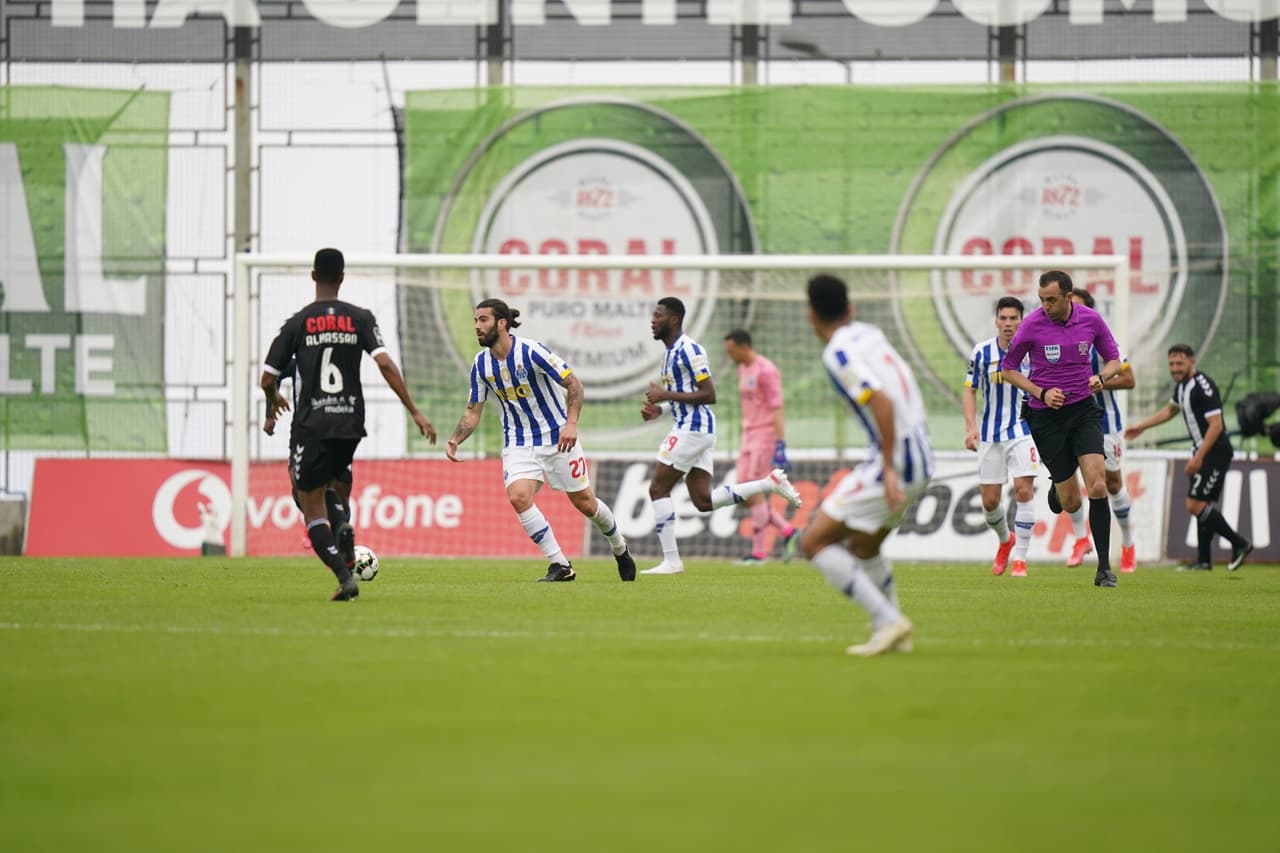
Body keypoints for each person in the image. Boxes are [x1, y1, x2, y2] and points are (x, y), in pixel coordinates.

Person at [261, 248, 436, 601]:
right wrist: (414, 410)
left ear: (314, 276)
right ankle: (343, 526)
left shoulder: (296, 323)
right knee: (334, 491)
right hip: (350, 422)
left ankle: (344, 575)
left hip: (311, 424)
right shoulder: (360, 317)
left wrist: (271, 406)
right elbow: (385, 363)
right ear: (342, 277)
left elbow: (267, 378)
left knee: (306, 500)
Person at [445, 298, 637, 582]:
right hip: (518, 440)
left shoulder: (532, 351)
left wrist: (571, 425)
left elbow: (574, 384)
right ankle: (560, 564)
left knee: (585, 503)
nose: (477, 326)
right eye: (475, 320)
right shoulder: (480, 364)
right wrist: (455, 439)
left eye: (482, 320)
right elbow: (473, 410)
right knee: (518, 497)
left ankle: (620, 548)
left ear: (501, 323)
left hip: (558, 437)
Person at [798, 274, 933, 656]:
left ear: (811, 316)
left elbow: (883, 402)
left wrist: (888, 467)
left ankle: (888, 620)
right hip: (921, 452)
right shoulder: (870, 334)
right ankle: (893, 632)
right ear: (851, 308)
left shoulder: (838, 353)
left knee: (814, 542)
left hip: (897, 459)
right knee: (863, 545)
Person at [639, 297, 801, 575]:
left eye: (658, 316)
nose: (652, 321)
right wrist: (662, 409)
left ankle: (672, 561)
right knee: (703, 501)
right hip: (693, 427)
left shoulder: (690, 349)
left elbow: (708, 394)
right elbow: (686, 397)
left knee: (657, 489)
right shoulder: (670, 354)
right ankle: (768, 483)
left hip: (693, 429)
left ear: (674, 319)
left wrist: (664, 395)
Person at [1000, 269, 1123, 588]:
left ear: (1069, 297)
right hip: (1045, 417)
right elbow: (1008, 370)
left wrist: (1102, 377)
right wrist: (1040, 393)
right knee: (1070, 501)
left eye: (1051, 300)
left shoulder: (1091, 320)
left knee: (1097, 484)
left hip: (1083, 411)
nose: (1045, 306)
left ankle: (1104, 569)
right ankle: (1059, 486)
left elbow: (1114, 361)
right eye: (1041, 300)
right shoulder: (1032, 325)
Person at [1124, 344, 1253, 571]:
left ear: (1192, 361)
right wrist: (1141, 427)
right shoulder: (1182, 387)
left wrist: (1199, 458)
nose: (1175, 368)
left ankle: (1239, 543)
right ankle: (1204, 561)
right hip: (1203, 451)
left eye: (1180, 363)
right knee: (1201, 504)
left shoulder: (1203, 386)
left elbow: (1216, 426)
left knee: (1195, 504)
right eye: (1172, 364)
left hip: (1214, 451)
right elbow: (1170, 411)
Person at [963, 296, 1038, 577]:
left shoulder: (1034, 351)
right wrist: (971, 427)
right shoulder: (981, 353)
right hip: (990, 434)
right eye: (1003, 319)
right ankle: (1006, 541)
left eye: (1013, 318)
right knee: (990, 502)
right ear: (996, 321)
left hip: (1023, 430)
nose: (1008, 324)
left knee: (1023, 491)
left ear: (1022, 320)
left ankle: (1021, 559)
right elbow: (969, 390)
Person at [1069, 289, 1138, 573]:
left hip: (1104, 422)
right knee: (1066, 481)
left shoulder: (1102, 341)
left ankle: (1128, 544)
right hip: (1068, 420)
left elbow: (1129, 379)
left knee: (1111, 484)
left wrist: (1097, 381)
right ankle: (1079, 539)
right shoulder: (1053, 339)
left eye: (1077, 307)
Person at [722, 329, 801, 565]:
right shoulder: (742, 369)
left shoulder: (767, 371)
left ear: (743, 347)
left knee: (754, 493)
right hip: (748, 435)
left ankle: (759, 554)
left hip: (764, 435)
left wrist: (780, 443)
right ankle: (788, 531)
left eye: (731, 351)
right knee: (744, 493)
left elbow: (777, 407)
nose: (730, 355)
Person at [264, 354, 352, 552]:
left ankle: (340, 542)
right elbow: (272, 378)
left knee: (341, 494)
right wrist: (270, 413)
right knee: (298, 488)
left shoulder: (341, 359)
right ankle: (315, 521)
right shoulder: (296, 363)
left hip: (337, 433)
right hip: (304, 434)